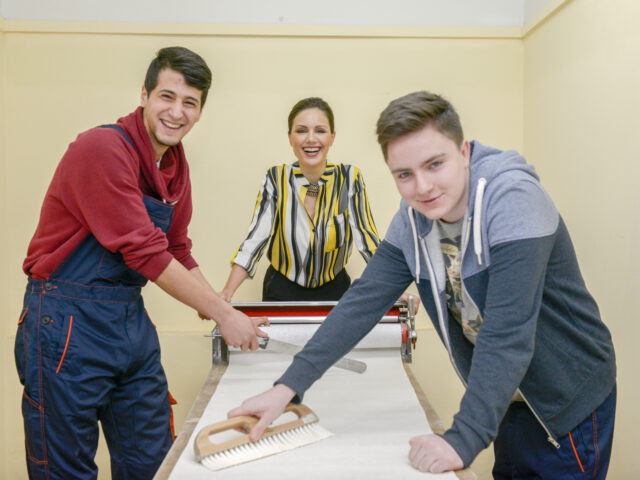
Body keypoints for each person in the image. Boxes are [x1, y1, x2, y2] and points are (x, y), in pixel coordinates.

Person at [228, 91, 617, 478]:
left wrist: (462, 439)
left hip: (567, 402)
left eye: (435, 164)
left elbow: (508, 331)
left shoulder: (513, 198)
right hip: (509, 399)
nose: (423, 186)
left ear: (463, 152)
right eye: (404, 174)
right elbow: (361, 302)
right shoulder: (413, 219)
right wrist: (287, 389)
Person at [15, 47, 266, 480]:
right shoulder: (102, 148)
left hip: (128, 323)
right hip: (67, 324)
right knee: (65, 470)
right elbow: (146, 252)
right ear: (145, 95)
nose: (176, 112)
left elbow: (176, 249)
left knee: (152, 464)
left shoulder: (173, 166)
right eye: (167, 97)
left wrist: (219, 304)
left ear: (200, 111)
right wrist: (225, 315)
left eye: (190, 102)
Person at [221, 97, 381, 302]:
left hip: (336, 290)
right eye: (301, 130)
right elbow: (255, 241)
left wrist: (391, 289)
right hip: (281, 289)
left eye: (320, 131)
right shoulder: (276, 178)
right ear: (290, 138)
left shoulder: (350, 178)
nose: (311, 139)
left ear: (332, 137)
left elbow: (369, 241)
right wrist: (226, 293)